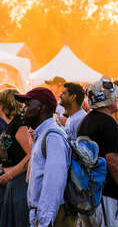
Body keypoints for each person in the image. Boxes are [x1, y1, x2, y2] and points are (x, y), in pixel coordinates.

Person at [15, 87, 76, 226]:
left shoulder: (52, 137)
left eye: (28, 105)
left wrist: (45, 221)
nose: (23, 110)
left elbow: (54, 183)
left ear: (42, 108)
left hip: (52, 217)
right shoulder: (42, 134)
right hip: (42, 214)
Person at [77, 79, 118, 227]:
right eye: (115, 95)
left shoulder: (86, 120)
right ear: (107, 100)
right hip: (107, 194)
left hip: (93, 192)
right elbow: (112, 161)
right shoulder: (108, 122)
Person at [0, 89, 32, 227]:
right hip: (11, 180)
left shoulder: (20, 124)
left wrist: (10, 174)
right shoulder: (10, 124)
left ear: (3, 105)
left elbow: (31, 154)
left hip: (20, 181)